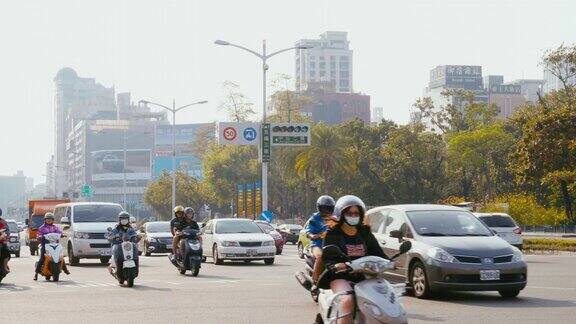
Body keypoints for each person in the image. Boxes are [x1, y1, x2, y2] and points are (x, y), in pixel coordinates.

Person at [321, 195, 390, 324]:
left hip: (366, 276)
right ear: (341, 214)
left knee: (386, 298)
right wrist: (336, 266)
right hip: (340, 276)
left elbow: (378, 252)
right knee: (347, 299)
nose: (353, 216)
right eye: (349, 213)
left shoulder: (365, 233)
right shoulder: (333, 234)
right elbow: (328, 257)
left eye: (356, 213)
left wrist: (390, 262)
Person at [306, 195, 336, 283]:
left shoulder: (335, 218)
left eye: (329, 208)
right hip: (318, 244)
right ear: (319, 208)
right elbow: (308, 232)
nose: (326, 211)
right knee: (320, 257)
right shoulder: (314, 219)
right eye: (324, 208)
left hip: (332, 244)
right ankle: (315, 281)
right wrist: (312, 236)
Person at [34, 212, 70, 280]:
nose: (49, 220)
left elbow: (60, 232)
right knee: (42, 259)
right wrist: (39, 237)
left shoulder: (55, 227)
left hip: (55, 244)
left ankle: (65, 269)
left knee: (60, 256)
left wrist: (62, 234)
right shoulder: (42, 228)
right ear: (45, 220)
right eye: (47, 219)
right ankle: (36, 273)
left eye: (50, 219)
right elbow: (38, 234)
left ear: (53, 220)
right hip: (45, 245)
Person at [0, 208, 10, 274]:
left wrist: (4, 236)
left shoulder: (3, 222)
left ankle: (5, 266)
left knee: (6, 251)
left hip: (1, 241)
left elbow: (7, 231)